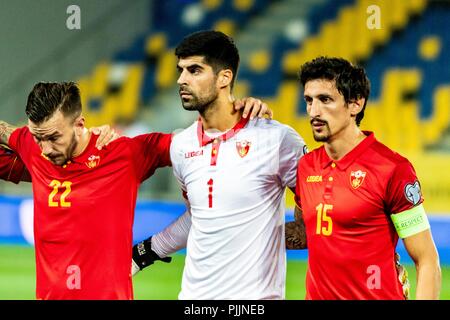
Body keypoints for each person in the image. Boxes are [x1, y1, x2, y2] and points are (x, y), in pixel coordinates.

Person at [0, 83, 269, 299]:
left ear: (80, 124)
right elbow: (11, 134)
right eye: (38, 138)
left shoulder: (123, 154)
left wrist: (239, 115)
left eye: (54, 138)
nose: (45, 149)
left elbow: (195, 142)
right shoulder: (31, 145)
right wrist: (35, 138)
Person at [131, 30, 307, 300]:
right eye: (181, 70)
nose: (181, 80)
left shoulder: (275, 138)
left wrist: (260, 237)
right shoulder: (182, 145)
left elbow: (317, 213)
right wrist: (142, 254)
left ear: (224, 77)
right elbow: (199, 219)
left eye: (194, 70)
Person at [287, 56, 441, 299]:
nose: (313, 111)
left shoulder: (392, 168)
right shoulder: (307, 166)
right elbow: (306, 234)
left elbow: (427, 259)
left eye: (325, 100)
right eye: (309, 100)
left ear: (355, 104)